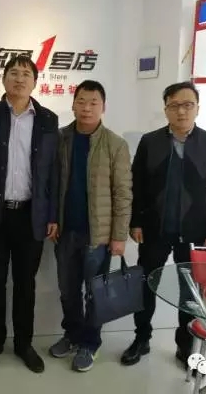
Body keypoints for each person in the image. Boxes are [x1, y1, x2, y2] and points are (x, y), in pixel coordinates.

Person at [120, 81, 206, 368]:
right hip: (155, 228)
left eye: (187, 105)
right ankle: (141, 338)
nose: (181, 111)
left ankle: (185, 346)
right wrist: (135, 221)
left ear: (197, 108)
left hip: (195, 231)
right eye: (174, 106)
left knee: (189, 292)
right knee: (146, 285)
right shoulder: (150, 142)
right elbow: (138, 184)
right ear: (166, 109)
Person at [0, 55, 59, 374]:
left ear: (35, 82)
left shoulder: (48, 120)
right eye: (13, 73)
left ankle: (24, 343)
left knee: (26, 284)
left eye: (26, 74)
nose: (19, 78)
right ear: (4, 79)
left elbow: (53, 173)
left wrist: (52, 215)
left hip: (30, 216)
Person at [48, 80, 132, 372]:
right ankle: (72, 335)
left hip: (98, 235)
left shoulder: (115, 144)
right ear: (73, 105)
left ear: (103, 107)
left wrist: (119, 236)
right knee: (67, 291)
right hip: (66, 231)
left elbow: (123, 193)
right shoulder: (60, 138)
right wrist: (52, 219)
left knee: (94, 293)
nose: (87, 108)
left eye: (93, 102)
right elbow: (51, 184)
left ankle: (90, 343)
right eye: (81, 101)